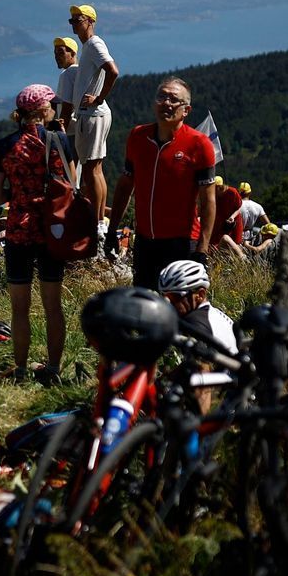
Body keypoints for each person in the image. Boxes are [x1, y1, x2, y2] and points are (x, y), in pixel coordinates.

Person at [0, 84, 71, 382]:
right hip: (53, 230)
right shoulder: (60, 141)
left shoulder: (5, 145)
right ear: (40, 110)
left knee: (19, 308)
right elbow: (70, 186)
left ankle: (21, 369)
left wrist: (20, 193)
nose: (55, 109)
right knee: (53, 304)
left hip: (19, 230)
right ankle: (54, 369)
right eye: (51, 105)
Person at [109, 77, 218, 290]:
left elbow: (208, 201)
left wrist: (202, 250)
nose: (166, 103)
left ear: (186, 110)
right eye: (161, 97)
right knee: (145, 308)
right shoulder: (137, 137)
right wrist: (112, 230)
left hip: (182, 242)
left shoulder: (199, 144)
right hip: (144, 241)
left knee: (179, 309)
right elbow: (124, 187)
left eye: (174, 99)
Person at [158, 258, 238, 414]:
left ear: (200, 294)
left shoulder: (194, 323)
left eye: (174, 298)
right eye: (164, 297)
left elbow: (202, 370)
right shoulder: (209, 314)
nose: (168, 304)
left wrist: (197, 425)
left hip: (226, 401)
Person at [67, 4, 119, 235]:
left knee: (90, 170)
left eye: (78, 19)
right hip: (92, 115)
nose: (74, 24)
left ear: (90, 21)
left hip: (92, 115)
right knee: (95, 169)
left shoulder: (95, 44)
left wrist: (98, 98)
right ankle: (98, 221)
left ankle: (97, 223)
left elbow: (113, 71)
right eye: (72, 21)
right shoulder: (88, 46)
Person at [52, 36, 81, 152]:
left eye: (61, 52)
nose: (56, 57)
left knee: (68, 168)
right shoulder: (80, 71)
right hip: (79, 129)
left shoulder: (68, 74)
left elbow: (67, 107)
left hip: (69, 132)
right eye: (55, 53)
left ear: (73, 53)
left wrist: (60, 135)